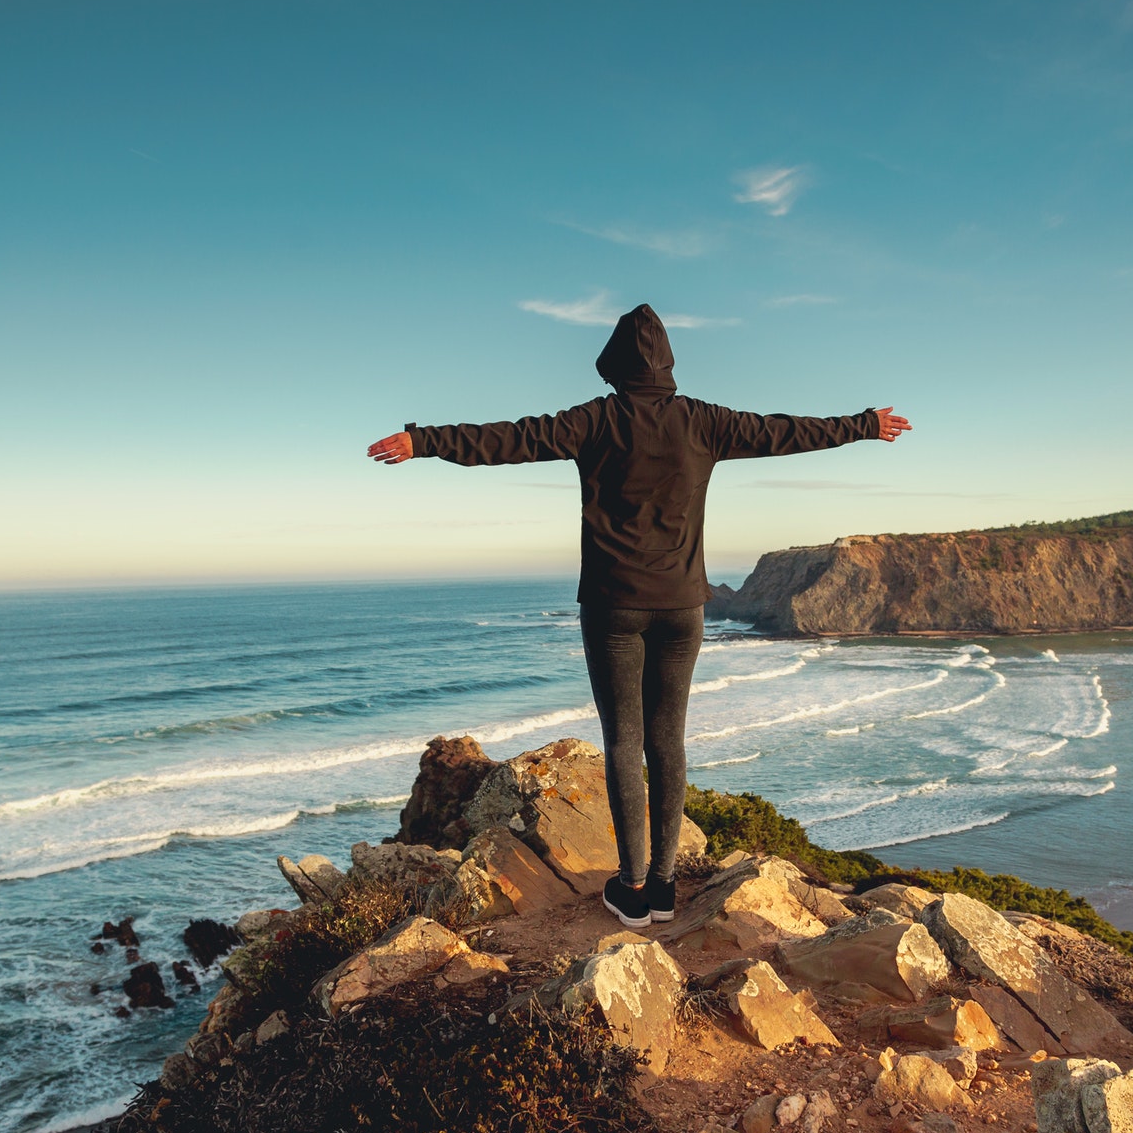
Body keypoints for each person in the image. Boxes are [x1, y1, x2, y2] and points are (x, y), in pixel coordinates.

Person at [367, 304, 909, 928]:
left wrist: (425, 441)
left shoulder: (594, 420)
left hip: (613, 608)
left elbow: (509, 438)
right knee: (666, 741)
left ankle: (631, 888)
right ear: (669, 362)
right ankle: (666, 884)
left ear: (614, 364)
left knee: (624, 743)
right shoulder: (704, 421)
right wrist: (864, 424)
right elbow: (784, 431)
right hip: (683, 608)